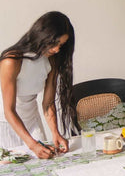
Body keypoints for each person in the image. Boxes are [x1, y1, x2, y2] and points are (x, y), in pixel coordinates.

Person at [0, 11, 75, 159]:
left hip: (32, 120)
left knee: (46, 165)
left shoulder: (51, 60)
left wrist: (55, 132)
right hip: (6, 123)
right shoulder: (11, 61)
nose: (57, 50)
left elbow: (48, 103)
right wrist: (32, 145)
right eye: (54, 43)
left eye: (61, 45)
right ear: (42, 35)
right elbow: (9, 111)